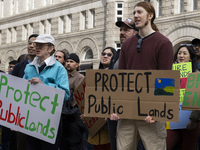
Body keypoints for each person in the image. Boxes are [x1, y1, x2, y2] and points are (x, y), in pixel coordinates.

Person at [116, 2, 174, 150]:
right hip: (127, 113)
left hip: (151, 114)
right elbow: (120, 78)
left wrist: (158, 110)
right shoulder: (126, 45)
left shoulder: (163, 43)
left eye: (140, 12)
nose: (136, 15)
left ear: (150, 15)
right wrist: (115, 107)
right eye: (134, 12)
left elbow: (166, 79)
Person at [23, 34, 70, 150]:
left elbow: (65, 95)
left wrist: (44, 86)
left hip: (50, 122)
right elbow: (21, 91)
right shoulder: (29, 67)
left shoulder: (59, 69)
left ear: (50, 49)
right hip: (31, 120)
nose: (36, 47)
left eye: (41, 45)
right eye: (36, 44)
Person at [108, 18, 138, 150]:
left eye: (126, 30)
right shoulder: (117, 54)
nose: (122, 32)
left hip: (134, 110)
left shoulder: (139, 52)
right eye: (120, 30)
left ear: (136, 33)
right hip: (114, 110)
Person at [81, 47, 116, 150]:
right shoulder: (94, 76)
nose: (105, 56)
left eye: (109, 55)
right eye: (103, 54)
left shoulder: (116, 77)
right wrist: (86, 115)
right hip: (96, 129)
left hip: (110, 127)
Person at [166, 45, 200, 150]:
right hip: (171, 122)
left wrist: (193, 120)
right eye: (179, 53)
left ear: (190, 58)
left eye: (185, 53)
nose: (181, 55)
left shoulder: (197, 75)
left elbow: (198, 99)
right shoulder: (169, 74)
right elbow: (163, 96)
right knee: (165, 146)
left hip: (190, 123)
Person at [61, 53, 86, 150]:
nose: (68, 63)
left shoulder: (80, 77)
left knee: (74, 144)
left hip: (74, 118)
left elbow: (77, 98)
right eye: (67, 61)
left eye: (71, 62)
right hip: (63, 116)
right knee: (63, 144)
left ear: (77, 64)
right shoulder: (62, 76)